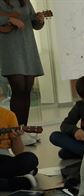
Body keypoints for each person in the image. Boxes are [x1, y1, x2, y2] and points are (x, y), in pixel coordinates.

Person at [0, 0, 46, 130]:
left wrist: (39, 20)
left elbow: (34, 23)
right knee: (18, 89)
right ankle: (16, 131)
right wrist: (9, 19)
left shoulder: (25, 1)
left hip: (28, 47)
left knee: (26, 90)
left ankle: (23, 129)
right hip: (10, 49)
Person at [49, 76, 84, 159]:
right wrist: (75, 130)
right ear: (82, 99)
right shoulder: (80, 106)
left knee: (65, 153)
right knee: (54, 136)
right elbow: (65, 125)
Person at [0, 106, 37, 191]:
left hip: (4, 158)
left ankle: (7, 180)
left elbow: (18, 152)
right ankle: (18, 181)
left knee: (30, 159)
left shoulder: (8, 115)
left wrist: (16, 138)